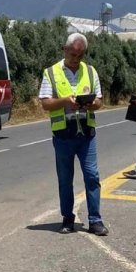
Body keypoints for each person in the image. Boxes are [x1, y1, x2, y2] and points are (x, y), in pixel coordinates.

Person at [39, 33, 108, 236]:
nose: (76, 59)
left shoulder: (90, 71)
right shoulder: (51, 72)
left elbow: (99, 102)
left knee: (92, 176)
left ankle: (95, 220)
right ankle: (67, 218)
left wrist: (91, 103)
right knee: (65, 178)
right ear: (64, 49)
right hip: (63, 135)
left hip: (86, 133)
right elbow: (45, 103)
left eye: (80, 55)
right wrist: (64, 101)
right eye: (72, 54)